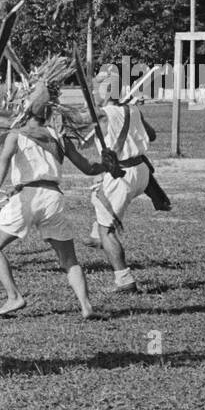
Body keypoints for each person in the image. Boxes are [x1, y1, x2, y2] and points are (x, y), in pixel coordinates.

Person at [0, 58, 121, 319]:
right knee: (69, 259)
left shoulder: (17, 134)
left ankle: (14, 297)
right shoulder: (59, 136)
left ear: (24, 107)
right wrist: (107, 165)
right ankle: (86, 306)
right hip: (54, 199)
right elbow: (89, 167)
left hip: (28, 197)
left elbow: (2, 161)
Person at [82, 66, 160, 293]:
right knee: (98, 193)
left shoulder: (104, 113)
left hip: (122, 175)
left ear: (106, 90)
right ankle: (97, 235)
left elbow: (80, 119)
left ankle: (124, 279)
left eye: (97, 88)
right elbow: (151, 135)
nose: (94, 92)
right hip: (142, 173)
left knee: (108, 230)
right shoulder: (133, 110)